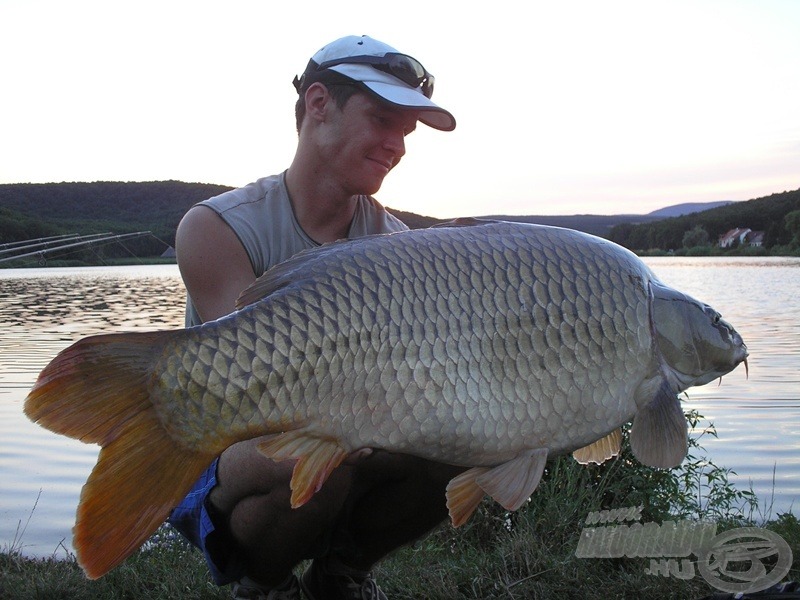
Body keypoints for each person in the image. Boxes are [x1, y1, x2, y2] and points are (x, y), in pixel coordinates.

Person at [170, 35, 463, 600]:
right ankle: (264, 585)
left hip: (359, 431)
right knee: (320, 456)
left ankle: (342, 574)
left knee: (457, 446)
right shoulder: (216, 227)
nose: (397, 144)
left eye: (407, 130)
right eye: (383, 119)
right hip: (224, 452)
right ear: (319, 103)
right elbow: (254, 391)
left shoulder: (398, 247)